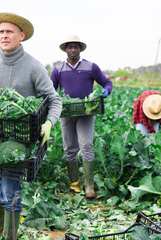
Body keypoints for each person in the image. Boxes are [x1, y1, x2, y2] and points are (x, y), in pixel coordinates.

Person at [0, 12, 62, 239]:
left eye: (9, 31)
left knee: (10, 193)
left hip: (17, 140)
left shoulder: (33, 66)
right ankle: (0, 224)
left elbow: (54, 99)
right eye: (1, 31)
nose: (4, 36)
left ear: (21, 35)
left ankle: (11, 235)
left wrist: (49, 122)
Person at [50, 34, 113, 198]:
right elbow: (50, 90)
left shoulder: (91, 67)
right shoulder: (58, 69)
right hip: (67, 113)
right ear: (65, 49)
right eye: (69, 47)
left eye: (75, 47)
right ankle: (75, 184)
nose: (72, 50)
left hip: (86, 112)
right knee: (69, 148)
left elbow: (107, 82)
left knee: (86, 146)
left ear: (80, 49)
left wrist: (107, 90)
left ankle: (89, 186)